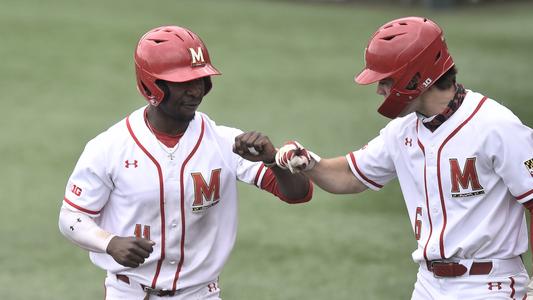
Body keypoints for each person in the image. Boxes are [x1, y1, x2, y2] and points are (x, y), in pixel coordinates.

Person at [274, 16, 533, 299]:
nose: (379, 90)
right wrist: (311, 164)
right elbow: (350, 175)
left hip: (488, 285)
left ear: (415, 77)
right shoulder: (402, 131)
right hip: (428, 284)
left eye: (385, 80)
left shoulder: (495, 125)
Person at [58, 25, 312, 300]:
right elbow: (72, 217)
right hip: (127, 292)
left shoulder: (227, 143)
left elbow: (299, 193)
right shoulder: (109, 147)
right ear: (152, 85)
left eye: (200, 79)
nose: (195, 91)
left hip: (201, 294)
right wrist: (109, 243)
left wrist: (273, 160)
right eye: (183, 82)